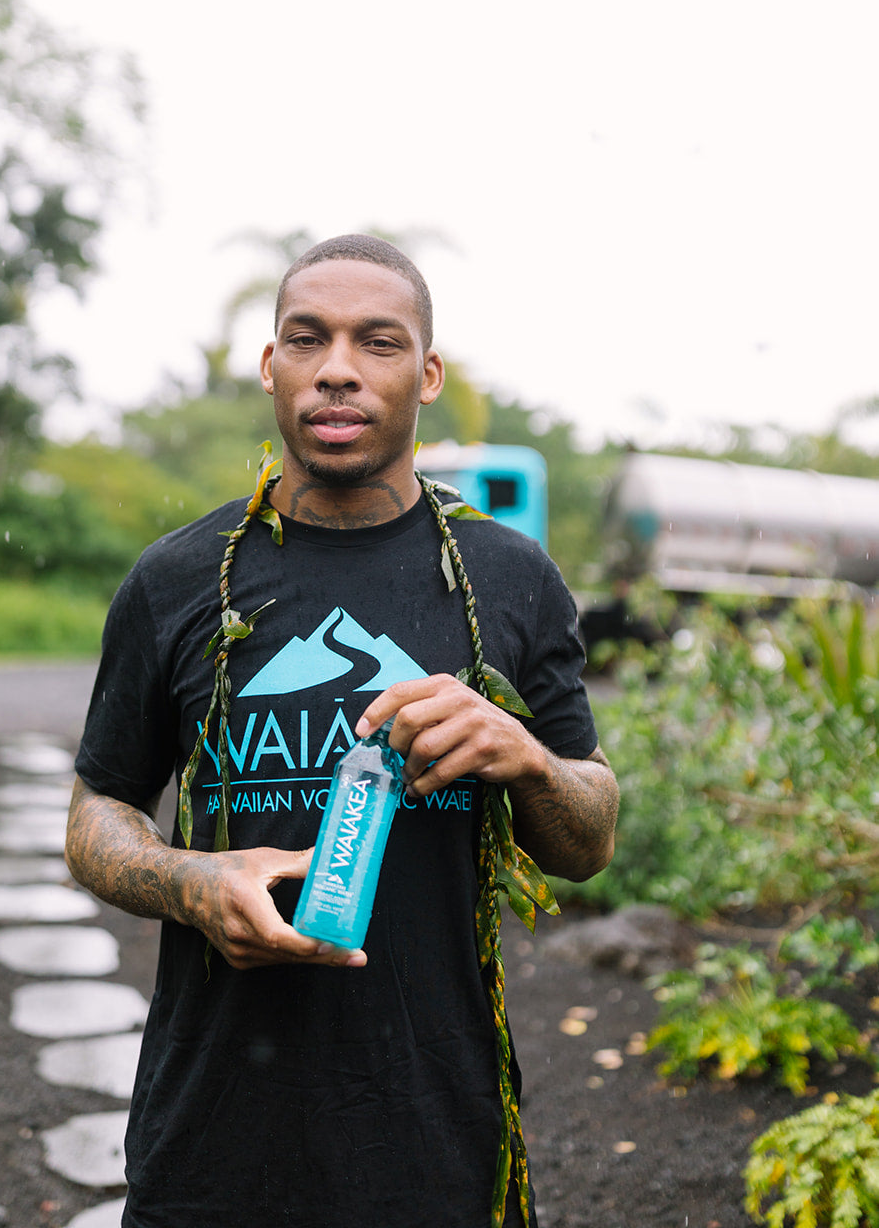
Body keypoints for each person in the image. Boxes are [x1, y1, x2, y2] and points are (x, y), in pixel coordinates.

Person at [65, 233, 619, 1228]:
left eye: (378, 342)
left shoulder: (510, 581)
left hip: (438, 1146)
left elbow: (586, 838)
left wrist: (524, 755)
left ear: (428, 372)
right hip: (212, 1149)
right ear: (270, 365)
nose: (337, 370)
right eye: (306, 339)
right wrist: (191, 884)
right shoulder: (176, 580)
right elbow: (98, 811)